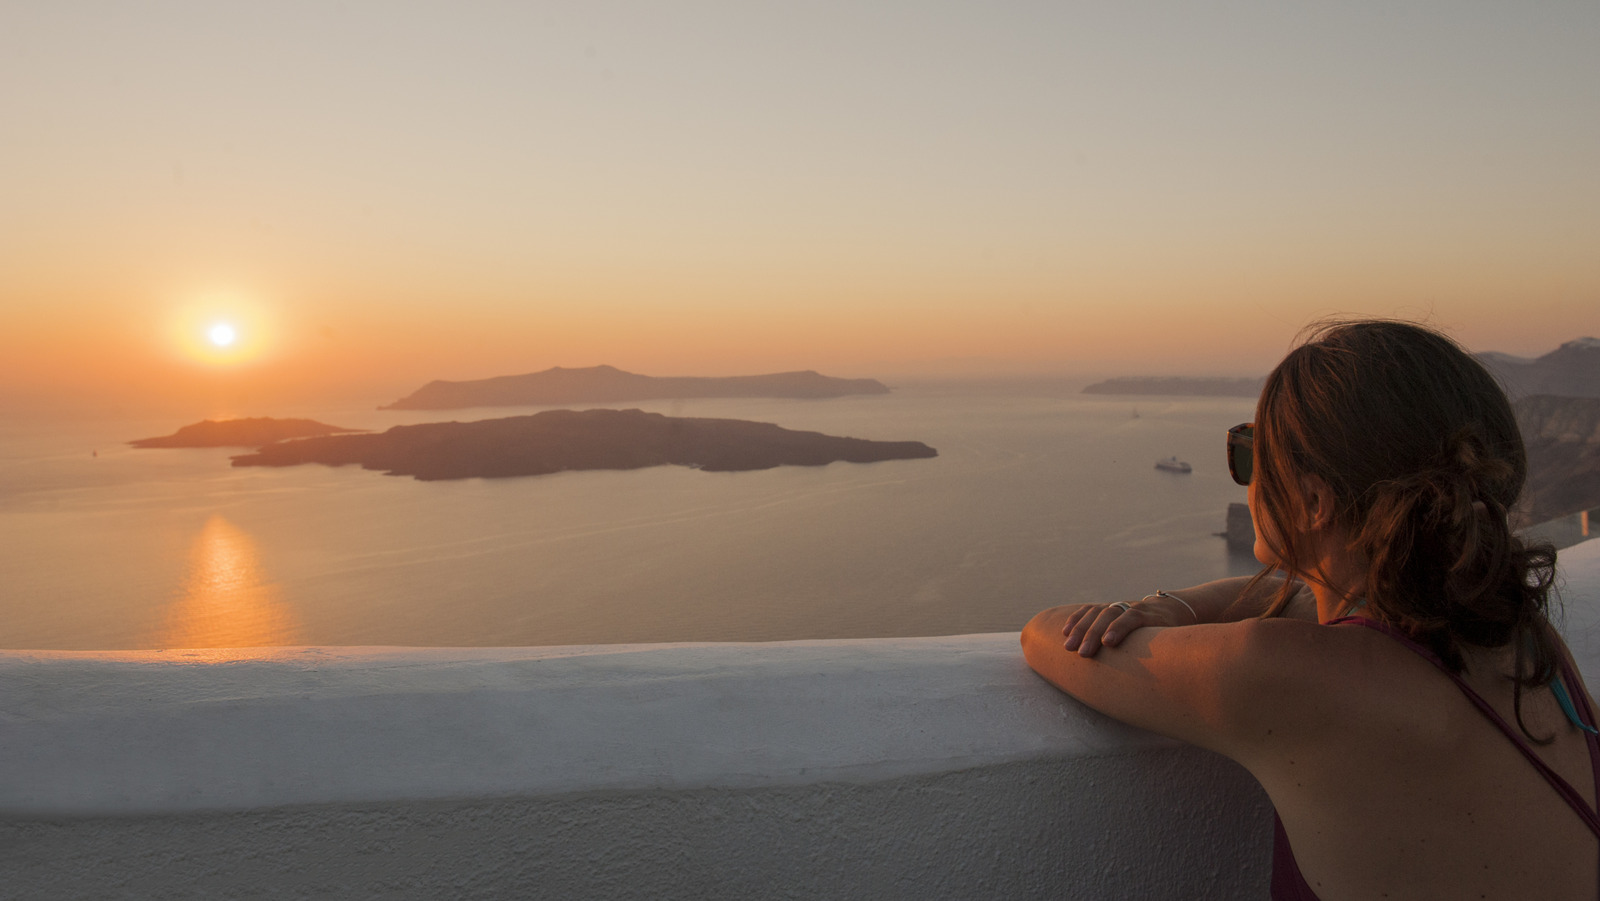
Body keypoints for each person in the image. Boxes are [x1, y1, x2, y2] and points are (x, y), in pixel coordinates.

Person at [1021, 320, 1599, 900]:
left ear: (1316, 501)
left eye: (1249, 454)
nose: (1246, 479)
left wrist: (1164, 610)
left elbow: (1046, 636)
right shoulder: (1528, 642)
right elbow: (1319, 603)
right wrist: (1175, 607)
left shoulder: (1287, 673)